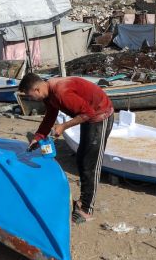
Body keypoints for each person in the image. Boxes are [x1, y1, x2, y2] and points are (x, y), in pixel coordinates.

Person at [19, 73, 114, 224]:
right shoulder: (48, 94)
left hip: (100, 114)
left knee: (90, 164)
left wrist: (63, 126)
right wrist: (38, 137)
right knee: (81, 158)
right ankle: (83, 200)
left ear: (37, 90)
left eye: (30, 96)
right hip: (88, 116)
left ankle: (87, 210)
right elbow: (50, 116)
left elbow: (88, 113)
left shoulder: (60, 92)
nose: (32, 99)